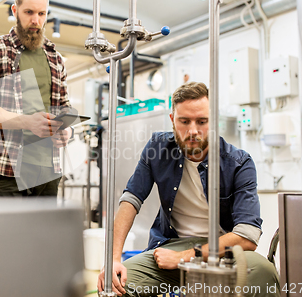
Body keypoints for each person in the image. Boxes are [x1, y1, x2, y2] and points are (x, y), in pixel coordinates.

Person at [98, 82, 280, 297]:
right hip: (171, 246)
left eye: (202, 122)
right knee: (115, 285)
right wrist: (113, 259)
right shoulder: (157, 147)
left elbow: (247, 235)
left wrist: (186, 256)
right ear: (173, 120)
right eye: (184, 121)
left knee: (264, 273)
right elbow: (131, 199)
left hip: (223, 251)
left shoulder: (239, 162)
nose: (193, 130)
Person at [0, 0, 72, 197]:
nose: (36, 20)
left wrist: (66, 129)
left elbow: (63, 106)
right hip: (6, 170)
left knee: (44, 233)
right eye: (29, 12)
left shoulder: (55, 58)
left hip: (47, 171)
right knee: (4, 233)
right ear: (15, 10)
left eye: (42, 14)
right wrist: (27, 122)